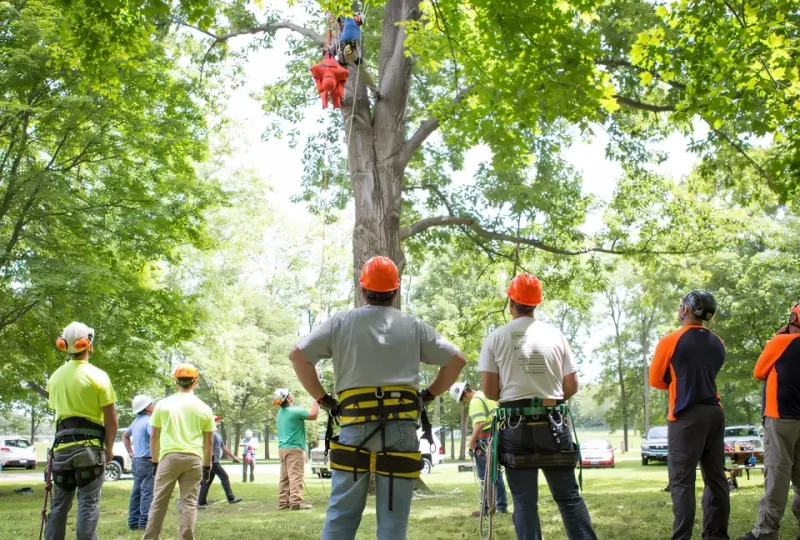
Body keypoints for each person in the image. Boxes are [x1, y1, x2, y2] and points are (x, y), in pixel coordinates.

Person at [289, 255, 466, 540]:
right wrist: (427, 395)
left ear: (363, 289)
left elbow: (298, 356)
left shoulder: (341, 322)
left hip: (354, 426)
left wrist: (324, 400)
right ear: (396, 290)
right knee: (394, 522)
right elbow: (457, 359)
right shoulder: (413, 325)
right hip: (401, 428)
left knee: (341, 516)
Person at [479, 273, 596, 540]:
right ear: (536, 303)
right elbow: (571, 385)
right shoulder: (555, 335)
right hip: (553, 424)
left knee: (524, 502)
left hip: (515, 426)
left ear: (511, 302)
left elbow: (490, 391)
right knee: (568, 497)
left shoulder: (495, 338)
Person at [650, 289, 729, 540]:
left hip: (685, 415)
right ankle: (716, 535)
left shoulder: (670, 341)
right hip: (714, 413)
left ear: (687, 309)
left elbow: (656, 380)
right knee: (716, 478)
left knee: (682, 481)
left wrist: (676, 380)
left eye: (682, 305)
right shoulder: (718, 342)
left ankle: (681, 537)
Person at [45, 322, 118, 540]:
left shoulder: (55, 377)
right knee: (88, 503)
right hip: (89, 449)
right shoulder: (99, 376)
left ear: (63, 344)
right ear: (88, 344)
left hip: (61, 449)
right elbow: (111, 418)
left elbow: (60, 412)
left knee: (59, 505)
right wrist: (109, 447)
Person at [737, 303, 800, 540]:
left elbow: (759, 371)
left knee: (777, 476)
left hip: (780, 417)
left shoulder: (780, 342)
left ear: (793, 319)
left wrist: (778, 337)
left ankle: (765, 532)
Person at [143, 363, 214, 540]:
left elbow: (154, 436)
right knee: (189, 503)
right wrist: (207, 466)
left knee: (159, 501)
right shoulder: (204, 408)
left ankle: (150, 537)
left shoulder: (163, 405)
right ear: (195, 382)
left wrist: (155, 462)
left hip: (168, 457)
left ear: (176, 381)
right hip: (194, 459)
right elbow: (209, 441)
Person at [450, 382, 508, 517]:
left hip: (485, 441)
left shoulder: (475, 401)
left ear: (464, 394)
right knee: (496, 474)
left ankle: (486, 508)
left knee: (484, 476)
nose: (464, 403)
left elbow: (480, 423)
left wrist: (472, 443)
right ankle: (501, 507)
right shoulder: (485, 396)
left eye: (462, 400)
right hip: (497, 437)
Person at [273, 388, 319, 510]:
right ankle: (296, 502)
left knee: (284, 477)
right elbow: (313, 415)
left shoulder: (280, 413)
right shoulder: (295, 411)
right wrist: (316, 401)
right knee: (295, 475)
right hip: (294, 449)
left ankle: (283, 502)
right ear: (288, 398)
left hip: (282, 449)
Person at [123, 394, 155, 531]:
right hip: (147, 461)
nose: (154, 406)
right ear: (147, 408)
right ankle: (144, 523)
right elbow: (154, 437)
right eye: (152, 404)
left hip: (137, 461)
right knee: (147, 492)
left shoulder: (136, 421)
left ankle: (133, 522)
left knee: (136, 492)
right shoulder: (150, 421)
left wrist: (131, 452)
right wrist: (156, 456)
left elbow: (125, 435)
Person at [197, 416, 242, 508]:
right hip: (212, 462)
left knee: (207, 481)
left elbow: (223, 447)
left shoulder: (218, 434)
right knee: (224, 477)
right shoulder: (210, 433)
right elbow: (208, 446)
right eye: (216, 420)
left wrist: (234, 457)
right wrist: (211, 459)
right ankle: (231, 498)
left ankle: (201, 502)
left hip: (213, 461)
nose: (218, 422)